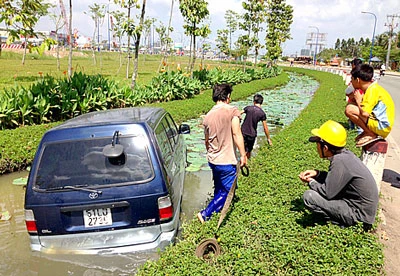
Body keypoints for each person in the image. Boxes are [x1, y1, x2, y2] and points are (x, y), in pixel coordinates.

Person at [299, 120, 378, 229]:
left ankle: (339, 224)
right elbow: (336, 181)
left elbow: (327, 193)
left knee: (309, 196)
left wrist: (311, 182)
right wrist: (318, 174)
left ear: (325, 148)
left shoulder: (339, 161)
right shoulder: (345, 155)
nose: (316, 148)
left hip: (359, 216)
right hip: (362, 211)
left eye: (317, 144)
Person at [197, 83, 247, 223]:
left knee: (219, 187)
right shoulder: (232, 111)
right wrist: (243, 155)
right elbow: (237, 134)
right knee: (228, 191)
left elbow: (206, 141)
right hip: (226, 160)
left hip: (213, 160)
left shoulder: (208, 116)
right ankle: (205, 214)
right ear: (228, 96)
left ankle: (216, 213)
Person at [345, 64, 395, 146]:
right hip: (380, 124)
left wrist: (358, 100)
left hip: (382, 126)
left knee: (349, 109)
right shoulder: (372, 88)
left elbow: (365, 113)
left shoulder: (372, 90)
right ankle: (367, 131)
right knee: (351, 105)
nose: (351, 82)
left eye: (352, 79)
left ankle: (370, 133)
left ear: (357, 80)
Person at [241, 94, 272, 159]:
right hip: (252, 134)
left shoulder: (248, 108)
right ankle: (247, 163)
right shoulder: (262, 113)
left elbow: (239, 113)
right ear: (261, 102)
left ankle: (241, 161)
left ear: (254, 101)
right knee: (248, 151)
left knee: (242, 150)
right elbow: (265, 127)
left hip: (243, 132)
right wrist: (268, 138)